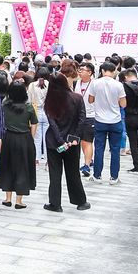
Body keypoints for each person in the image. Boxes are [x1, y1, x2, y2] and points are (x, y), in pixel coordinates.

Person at [42, 74, 89, 212]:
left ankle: (55, 204)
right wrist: (74, 138)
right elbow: (82, 119)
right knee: (73, 172)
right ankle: (80, 201)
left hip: (54, 143)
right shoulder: (77, 98)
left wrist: (60, 140)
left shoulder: (49, 101)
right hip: (72, 143)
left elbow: (53, 124)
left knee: (55, 174)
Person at [0, 80, 38, 208]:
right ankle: (19, 201)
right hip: (24, 138)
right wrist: (31, 138)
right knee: (23, 167)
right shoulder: (29, 107)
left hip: (9, 137)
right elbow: (34, 123)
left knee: (7, 166)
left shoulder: (5, 105)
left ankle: (7, 198)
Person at [87, 62, 127, 183]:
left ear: (102, 71)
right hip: (115, 121)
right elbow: (123, 104)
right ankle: (114, 177)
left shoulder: (95, 83)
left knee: (99, 148)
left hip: (100, 120)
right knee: (115, 149)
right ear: (114, 71)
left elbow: (90, 100)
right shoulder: (118, 85)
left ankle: (97, 176)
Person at [73, 62, 97, 175]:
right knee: (81, 141)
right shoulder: (76, 83)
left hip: (90, 116)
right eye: (79, 69)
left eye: (83, 70)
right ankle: (89, 160)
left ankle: (87, 165)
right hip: (77, 116)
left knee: (87, 141)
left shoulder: (95, 84)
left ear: (90, 72)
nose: (80, 72)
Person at [27, 68, 50, 165]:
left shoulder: (32, 85)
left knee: (36, 137)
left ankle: (36, 159)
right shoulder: (50, 84)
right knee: (47, 137)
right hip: (47, 111)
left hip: (35, 112)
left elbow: (29, 101)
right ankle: (48, 160)